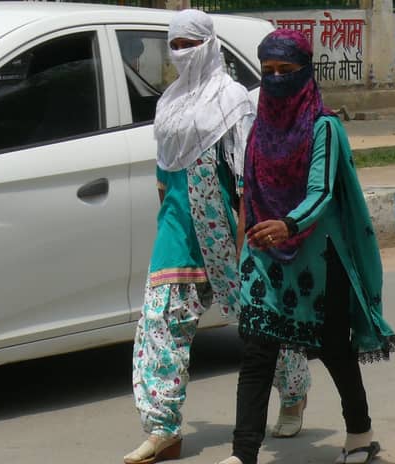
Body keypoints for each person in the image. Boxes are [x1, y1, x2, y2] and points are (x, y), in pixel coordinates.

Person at [123, 11, 311, 464]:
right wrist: (165, 217)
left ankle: (293, 391)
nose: (182, 53)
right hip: (177, 226)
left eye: (191, 44)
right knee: (159, 319)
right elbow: (163, 171)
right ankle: (163, 427)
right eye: (175, 45)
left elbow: (248, 175)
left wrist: (248, 238)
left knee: (259, 319)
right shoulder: (169, 103)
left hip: (227, 228)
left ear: (209, 45)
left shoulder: (232, 101)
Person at [217, 30, 395, 464]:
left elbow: (321, 191)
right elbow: (250, 191)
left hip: (318, 257)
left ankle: (360, 434)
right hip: (265, 255)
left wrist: (288, 225)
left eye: (287, 70)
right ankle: (243, 454)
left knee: (334, 347)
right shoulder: (259, 129)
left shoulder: (325, 127)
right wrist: (244, 250)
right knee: (257, 351)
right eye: (268, 71)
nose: (276, 79)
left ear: (306, 72)